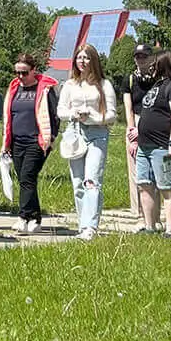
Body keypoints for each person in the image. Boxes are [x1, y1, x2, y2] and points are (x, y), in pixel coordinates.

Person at [54, 44, 116, 239]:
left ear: (93, 60)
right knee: (78, 182)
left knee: (92, 181)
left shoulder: (104, 85)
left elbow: (112, 114)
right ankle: (83, 224)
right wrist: (73, 114)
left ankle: (91, 227)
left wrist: (93, 116)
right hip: (75, 133)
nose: (82, 61)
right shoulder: (70, 85)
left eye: (86, 57)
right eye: (79, 57)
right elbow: (60, 110)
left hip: (97, 134)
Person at [128, 46, 171, 236]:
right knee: (144, 186)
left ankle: (170, 231)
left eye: (154, 64)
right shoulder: (156, 86)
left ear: (163, 65)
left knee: (167, 188)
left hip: (163, 148)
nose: (151, 67)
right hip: (145, 146)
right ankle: (150, 226)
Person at [2, 46, 60, 234]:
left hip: (37, 141)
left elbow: (55, 115)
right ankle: (35, 217)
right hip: (16, 141)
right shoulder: (14, 88)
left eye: (24, 73)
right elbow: (8, 115)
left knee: (27, 176)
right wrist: (6, 142)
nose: (20, 77)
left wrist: (51, 137)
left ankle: (23, 216)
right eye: (17, 72)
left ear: (34, 70)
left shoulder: (45, 89)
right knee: (25, 179)